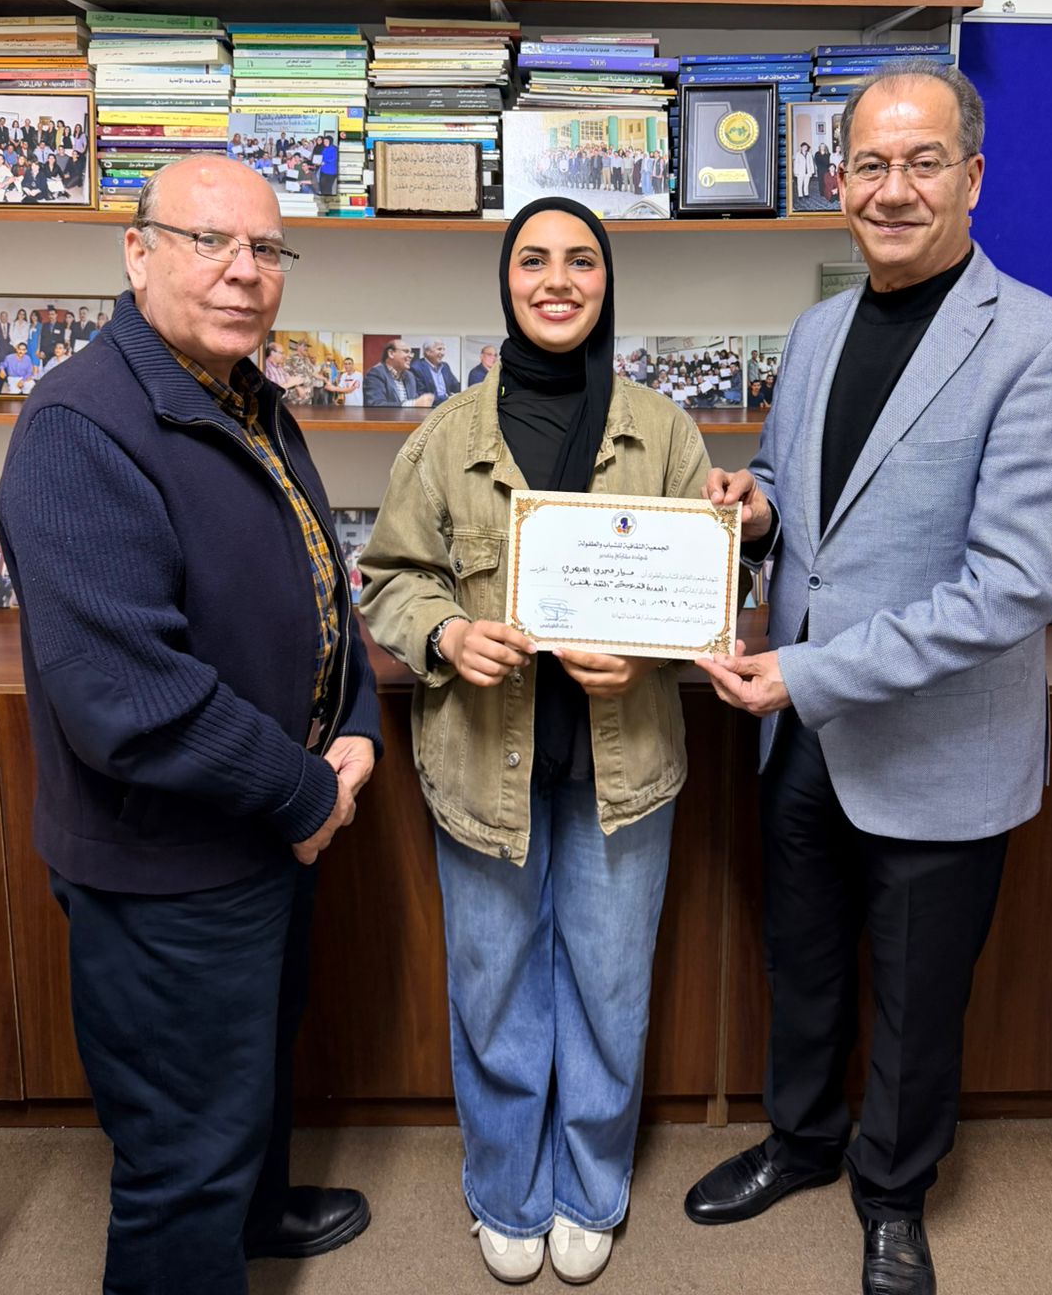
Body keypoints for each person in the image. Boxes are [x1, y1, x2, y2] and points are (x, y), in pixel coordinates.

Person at [684, 62, 1052, 1295]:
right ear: (841, 181)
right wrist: (756, 506)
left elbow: (1009, 588)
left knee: (920, 1001)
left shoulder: (1048, 345)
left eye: (923, 162)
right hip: (803, 735)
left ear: (972, 177)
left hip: (932, 743)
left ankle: (893, 1194)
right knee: (803, 960)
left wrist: (807, 671)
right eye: (869, 163)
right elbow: (798, 495)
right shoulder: (819, 329)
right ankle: (802, 1141)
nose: (893, 188)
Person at [0, 154, 381, 1295]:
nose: (243, 270)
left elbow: (319, 580)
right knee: (182, 1156)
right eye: (209, 240)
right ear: (137, 252)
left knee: (248, 1078)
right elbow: (129, 698)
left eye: (265, 248)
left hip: (264, 832)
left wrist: (357, 717)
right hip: (169, 868)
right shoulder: (79, 424)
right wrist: (309, 792)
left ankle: (252, 1218)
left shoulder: (242, 394)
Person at [359, 197, 711, 1287]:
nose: (557, 280)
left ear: (607, 280)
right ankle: (506, 1188)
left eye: (581, 261)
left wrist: (647, 657)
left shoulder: (665, 433)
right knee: (495, 987)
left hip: (621, 768)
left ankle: (591, 1186)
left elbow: (705, 593)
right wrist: (447, 633)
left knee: (609, 989)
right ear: (506, 281)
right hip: (483, 770)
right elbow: (390, 578)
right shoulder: (446, 435)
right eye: (534, 260)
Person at [362, 339, 434, 407]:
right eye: (406, 351)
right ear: (391, 353)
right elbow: (375, 405)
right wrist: (412, 404)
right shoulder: (376, 373)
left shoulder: (410, 376)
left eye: (411, 353)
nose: (411, 356)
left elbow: (415, 401)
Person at [410, 338, 461, 405]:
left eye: (443, 349)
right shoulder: (416, 368)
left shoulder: (445, 366)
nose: (443, 353)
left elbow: (455, 386)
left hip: (448, 405)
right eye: (439, 349)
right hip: (431, 407)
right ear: (428, 352)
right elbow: (422, 395)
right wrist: (447, 398)